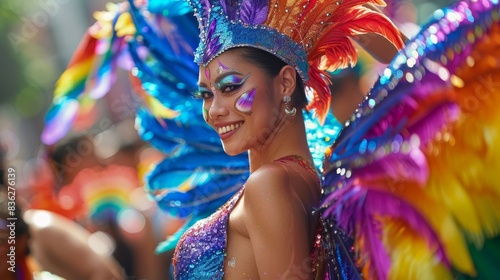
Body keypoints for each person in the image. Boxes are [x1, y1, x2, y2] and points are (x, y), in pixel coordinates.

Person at [168, 0, 404, 279]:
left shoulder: (269, 184)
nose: (214, 111)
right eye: (206, 95)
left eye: (230, 87)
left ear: (285, 84)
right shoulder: (302, 177)